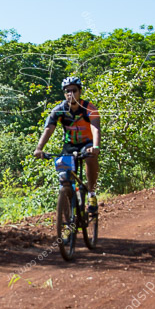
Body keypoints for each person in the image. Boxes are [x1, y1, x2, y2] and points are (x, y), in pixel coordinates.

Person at [33, 76, 101, 214]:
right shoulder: (59, 110)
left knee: (90, 159)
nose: (70, 94)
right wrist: (39, 148)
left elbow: (95, 128)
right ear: (64, 94)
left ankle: (92, 194)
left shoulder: (89, 108)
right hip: (69, 146)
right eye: (67, 91)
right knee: (64, 177)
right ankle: (70, 207)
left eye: (74, 90)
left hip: (86, 144)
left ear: (80, 92)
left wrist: (96, 146)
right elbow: (48, 129)